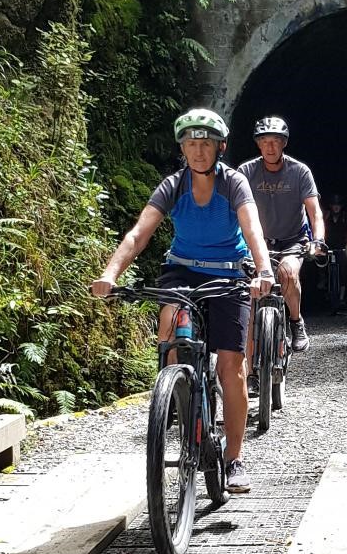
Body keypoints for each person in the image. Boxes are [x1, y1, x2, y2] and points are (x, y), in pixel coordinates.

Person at [90, 109, 272, 493]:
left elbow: (252, 227)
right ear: (182, 148)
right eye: (191, 144)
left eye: (206, 144)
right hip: (182, 268)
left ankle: (234, 458)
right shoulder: (173, 185)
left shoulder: (234, 183)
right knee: (170, 318)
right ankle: (176, 391)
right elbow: (139, 234)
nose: (198, 151)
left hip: (227, 272)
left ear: (220, 148)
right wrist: (110, 274)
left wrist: (264, 270)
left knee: (231, 366)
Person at [237, 115, 324, 353]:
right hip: (257, 243)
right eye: (265, 141)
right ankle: (252, 370)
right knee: (251, 294)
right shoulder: (246, 171)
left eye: (276, 141)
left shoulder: (299, 171)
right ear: (258, 144)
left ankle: (295, 322)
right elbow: (232, 208)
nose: (270, 146)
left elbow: (314, 212)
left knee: (288, 273)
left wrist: (318, 241)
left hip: (293, 240)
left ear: (284, 143)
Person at [321, 192, 347, 311]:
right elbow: (320, 228)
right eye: (334, 204)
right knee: (321, 264)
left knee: (344, 270)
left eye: (338, 204)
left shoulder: (345, 217)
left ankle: (341, 298)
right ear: (331, 206)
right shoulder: (326, 216)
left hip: (342, 247)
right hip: (328, 247)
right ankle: (322, 280)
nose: (336, 207)